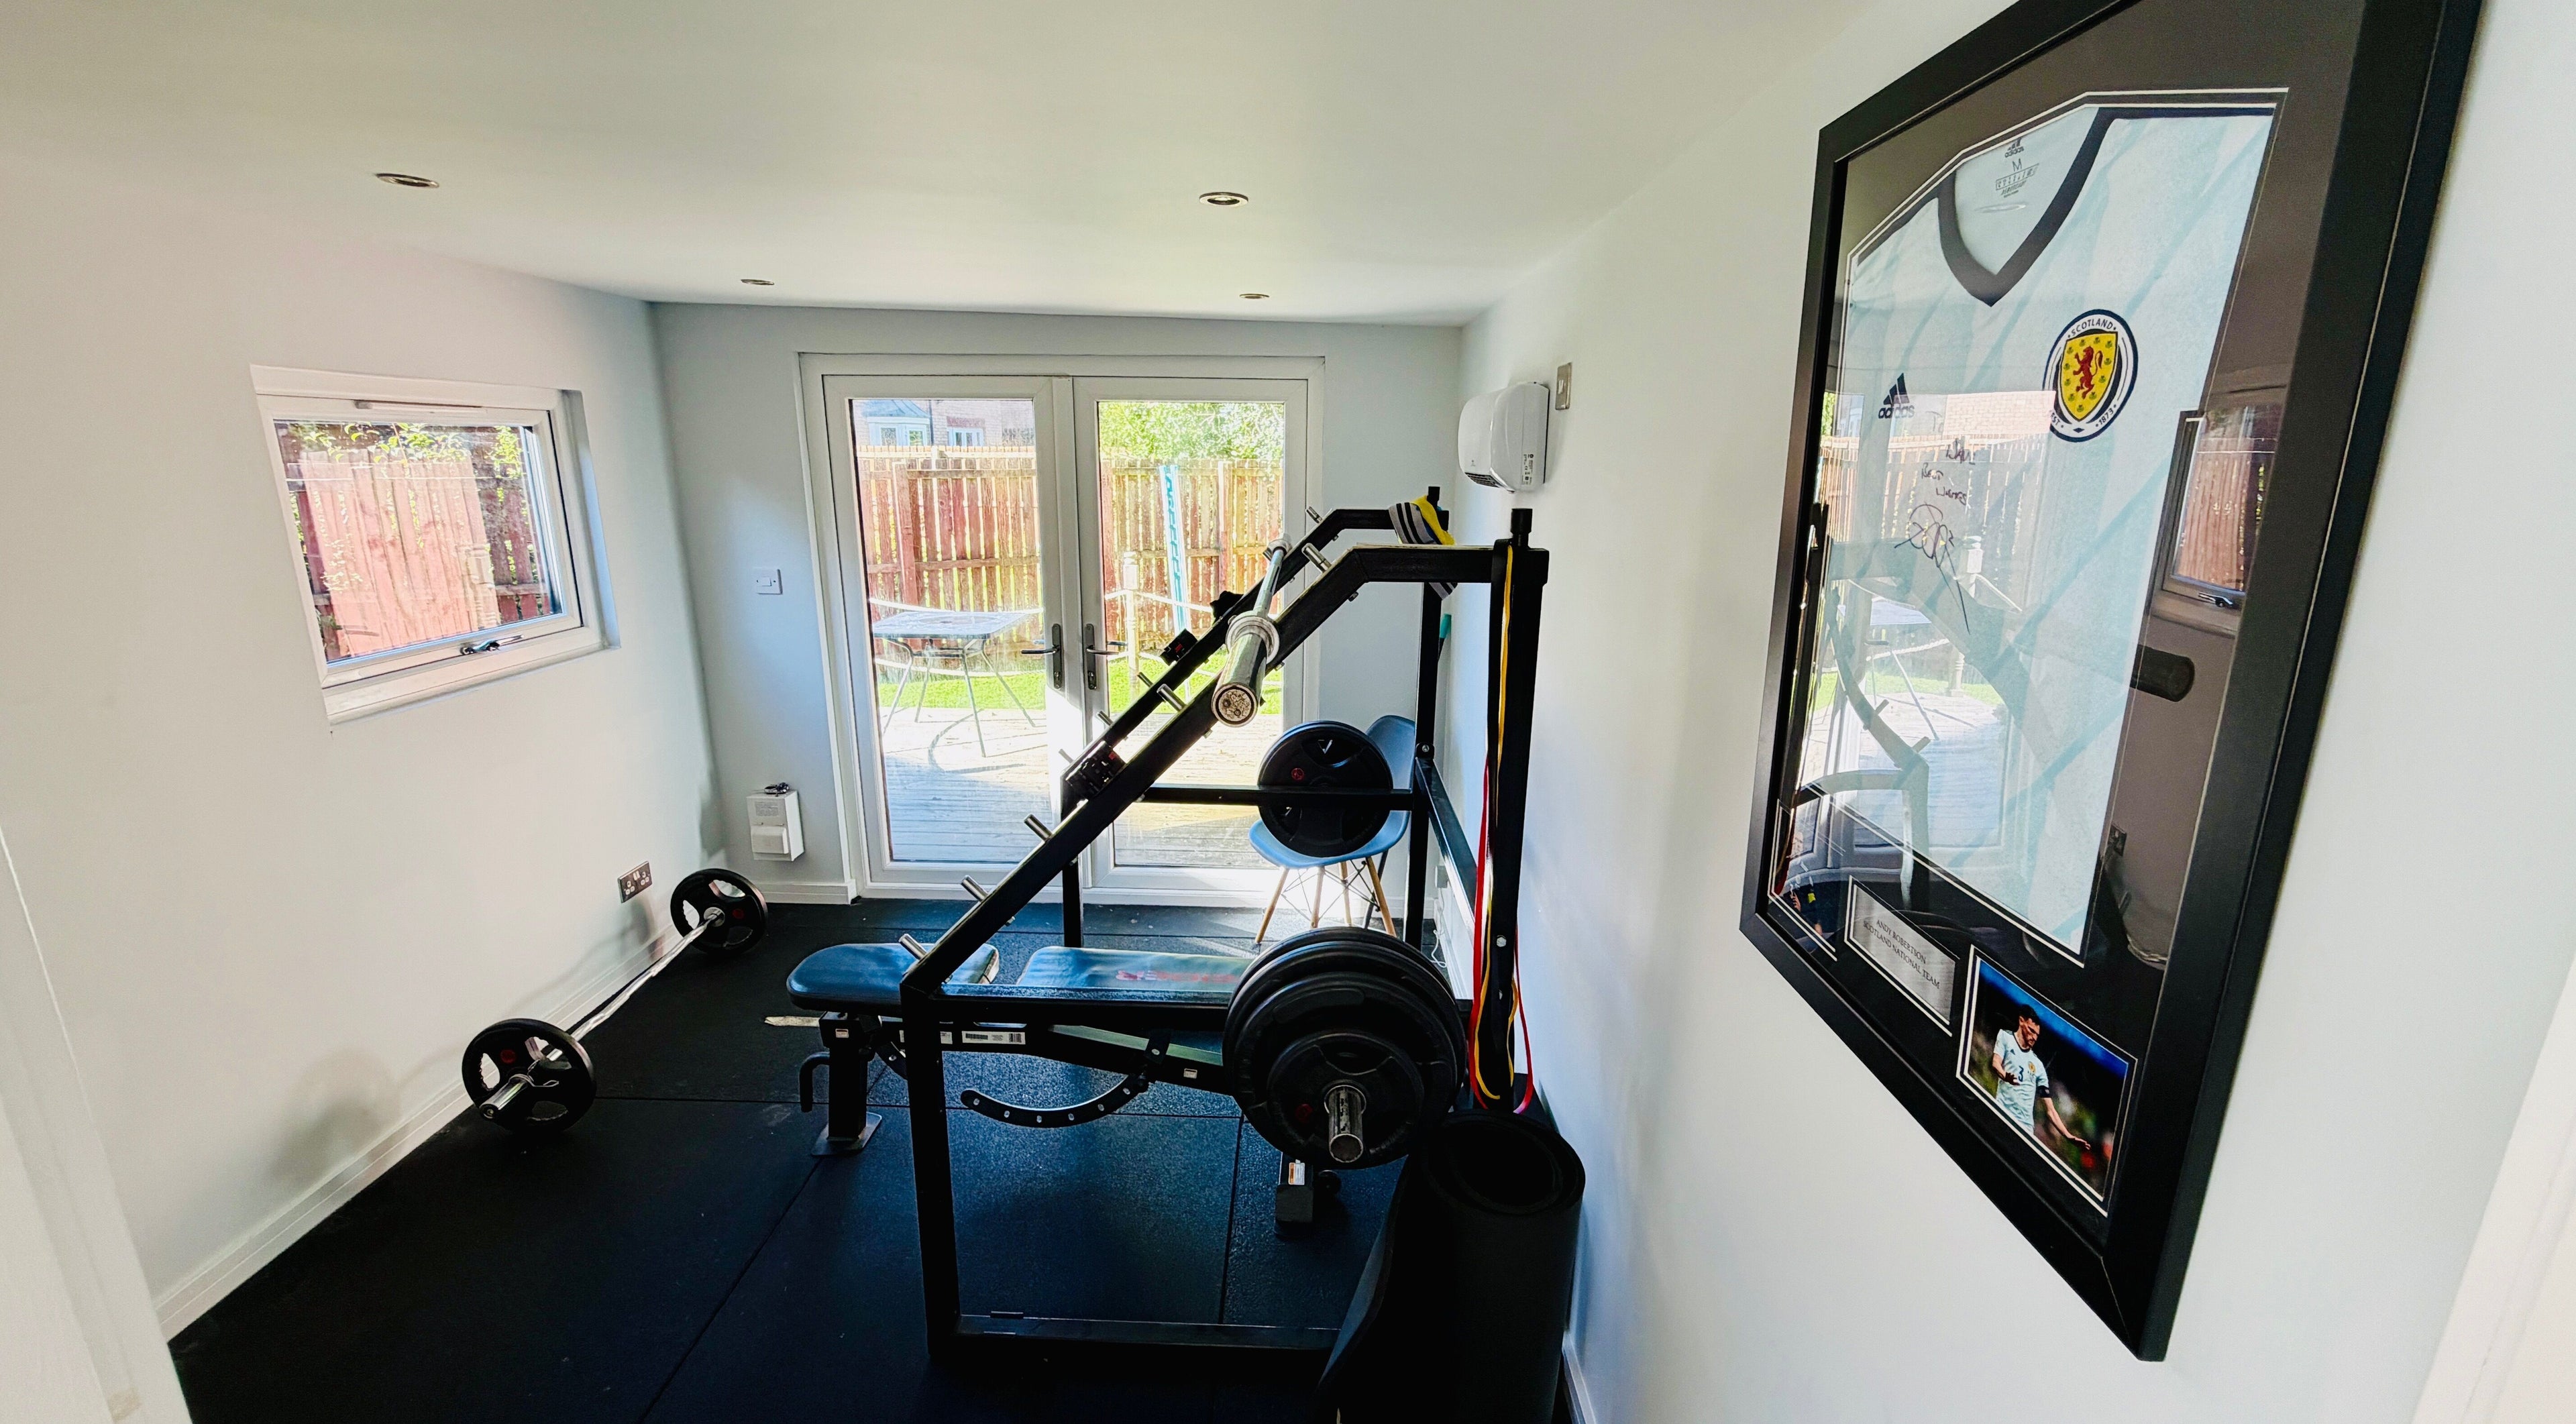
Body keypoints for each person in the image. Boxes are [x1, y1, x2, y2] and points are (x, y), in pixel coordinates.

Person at [1990, 1009, 2090, 1149]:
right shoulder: (2006, 1037)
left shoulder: (2038, 1066)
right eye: (2031, 1031)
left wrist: (2068, 1135)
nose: (2034, 1037)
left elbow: (2050, 1110)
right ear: (2021, 1021)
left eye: (2037, 1034)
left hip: (2024, 1129)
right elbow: (1996, 1063)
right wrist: (2005, 1076)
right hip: (2002, 1115)